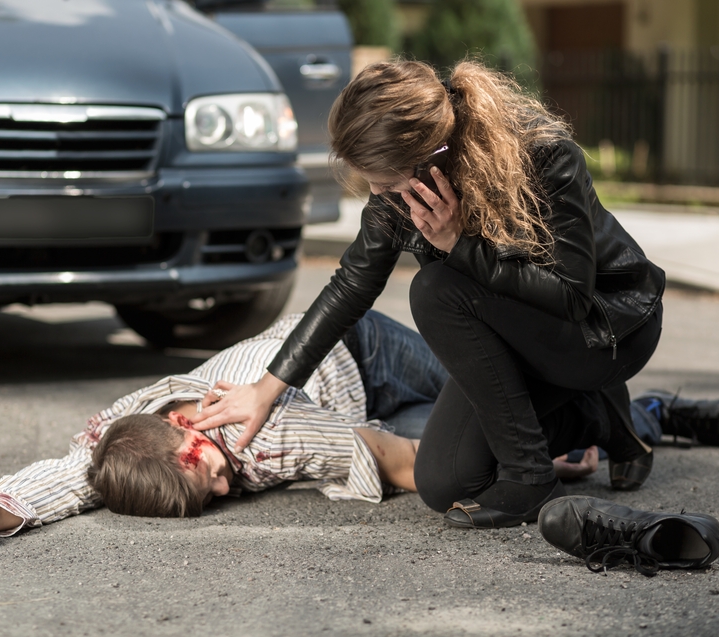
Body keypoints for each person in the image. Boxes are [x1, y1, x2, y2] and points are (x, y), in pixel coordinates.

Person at [187, 58, 669, 530]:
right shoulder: (397, 194)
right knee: (444, 482)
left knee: (436, 290)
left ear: (430, 159)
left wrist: (460, 246)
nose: (376, 192)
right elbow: (352, 284)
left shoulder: (543, 153)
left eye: (384, 182)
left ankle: (530, 478)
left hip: (604, 332)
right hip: (520, 336)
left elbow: (572, 298)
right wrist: (265, 390)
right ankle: (600, 419)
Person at [0, 311, 605, 556]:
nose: (223, 487)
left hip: (362, 353)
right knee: (497, 422)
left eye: (207, 477)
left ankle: (643, 406)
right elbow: (74, 474)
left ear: (188, 431)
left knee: (506, 399)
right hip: (357, 416)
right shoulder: (133, 430)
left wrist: (518, 458)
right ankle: (635, 414)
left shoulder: (253, 435)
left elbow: (400, 462)